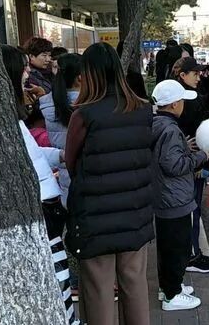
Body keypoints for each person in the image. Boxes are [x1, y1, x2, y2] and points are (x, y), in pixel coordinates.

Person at [64, 43, 154, 325]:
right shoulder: (143, 109)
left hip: (95, 215)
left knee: (99, 288)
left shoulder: (84, 114)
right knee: (134, 282)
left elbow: (71, 162)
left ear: (88, 74)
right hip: (135, 211)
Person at [0, 45, 78, 325]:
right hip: (41, 206)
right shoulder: (2, 118)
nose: (27, 73)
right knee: (55, 274)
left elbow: (31, 152)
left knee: (59, 272)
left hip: (48, 203)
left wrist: (60, 156)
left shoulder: (11, 113)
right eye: (23, 67)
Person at [151, 79, 209, 311]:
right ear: (174, 104)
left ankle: (168, 286)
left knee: (167, 247)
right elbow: (174, 165)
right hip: (174, 198)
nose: (184, 104)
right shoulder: (171, 129)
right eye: (182, 100)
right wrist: (201, 156)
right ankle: (172, 295)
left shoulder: (157, 124)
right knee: (177, 247)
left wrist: (184, 146)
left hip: (163, 196)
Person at [172, 57, 209, 273]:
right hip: (193, 165)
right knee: (191, 211)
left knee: (192, 210)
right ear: (182, 75)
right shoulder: (184, 100)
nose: (198, 77)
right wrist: (200, 162)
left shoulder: (191, 94)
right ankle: (192, 256)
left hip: (197, 162)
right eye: (195, 74)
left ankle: (193, 252)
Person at [39, 53, 82, 206]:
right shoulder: (89, 104)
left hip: (65, 178)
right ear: (80, 77)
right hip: (89, 178)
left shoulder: (48, 103)